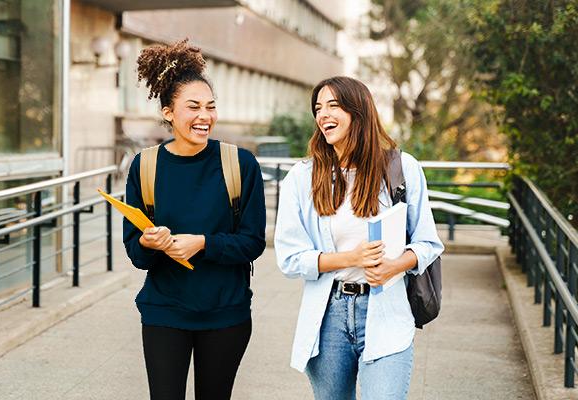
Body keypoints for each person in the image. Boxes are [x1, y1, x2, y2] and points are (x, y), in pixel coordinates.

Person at [274, 76, 444, 400]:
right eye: (318, 108)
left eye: (333, 106)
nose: (323, 114)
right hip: (328, 318)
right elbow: (290, 258)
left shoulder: (401, 168)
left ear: (359, 112)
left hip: (387, 312)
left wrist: (394, 266)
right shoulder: (301, 177)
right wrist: (351, 259)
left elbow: (428, 243)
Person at [122, 39, 266, 400]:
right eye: (193, 107)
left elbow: (253, 241)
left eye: (211, 107)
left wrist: (202, 243)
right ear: (169, 112)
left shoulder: (240, 164)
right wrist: (147, 242)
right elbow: (136, 254)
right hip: (164, 311)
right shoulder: (146, 166)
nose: (205, 116)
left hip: (226, 313)